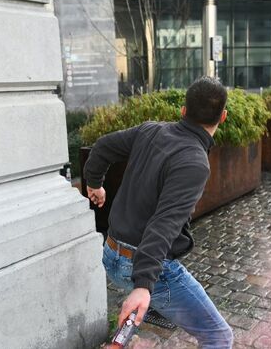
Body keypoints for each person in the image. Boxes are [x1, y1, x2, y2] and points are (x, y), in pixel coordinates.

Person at [84, 76, 234, 348]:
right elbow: (163, 225)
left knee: (155, 306)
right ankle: (146, 298)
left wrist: (95, 183)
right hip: (143, 265)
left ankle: (133, 324)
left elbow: (103, 145)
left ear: (183, 111)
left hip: (111, 253)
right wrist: (143, 285)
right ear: (223, 117)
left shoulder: (150, 131)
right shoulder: (194, 162)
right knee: (219, 336)